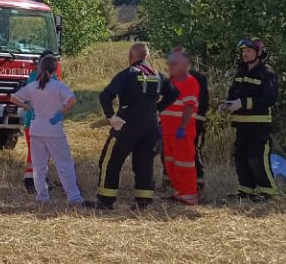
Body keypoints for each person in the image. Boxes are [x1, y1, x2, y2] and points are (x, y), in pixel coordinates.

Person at [90, 43, 178, 209]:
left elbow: (105, 95)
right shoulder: (158, 75)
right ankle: (143, 202)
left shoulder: (127, 74)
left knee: (111, 160)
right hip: (151, 126)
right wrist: (157, 109)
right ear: (147, 57)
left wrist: (111, 117)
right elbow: (174, 93)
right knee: (144, 164)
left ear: (131, 56)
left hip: (127, 124)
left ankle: (105, 201)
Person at [10, 54, 83, 205]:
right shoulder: (57, 86)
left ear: (40, 68)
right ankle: (74, 197)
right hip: (54, 129)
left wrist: (28, 107)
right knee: (64, 164)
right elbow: (73, 100)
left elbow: (13, 98)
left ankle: (42, 197)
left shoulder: (32, 86)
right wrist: (60, 113)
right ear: (54, 70)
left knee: (39, 166)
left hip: (36, 129)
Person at [223, 38, 280, 200]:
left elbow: (270, 99)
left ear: (259, 52)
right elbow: (233, 93)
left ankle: (268, 192)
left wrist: (243, 103)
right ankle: (245, 190)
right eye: (243, 51)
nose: (245, 54)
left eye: (248, 51)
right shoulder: (240, 73)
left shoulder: (267, 73)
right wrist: (227, 104)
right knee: (241, 158)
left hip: (259, 124)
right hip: (241, 124)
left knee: (257, 158)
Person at [160, 47, 200, 205]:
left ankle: (189, 193)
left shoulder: (190, 82)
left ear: (184, 65)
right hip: (168, 131)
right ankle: (179, 191)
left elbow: (189, 107)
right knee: (170, 163)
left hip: (181, 132)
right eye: (169, 63)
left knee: (184, 163)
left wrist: (182, 127)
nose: (170, 67)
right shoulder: (171, 82)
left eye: (174, 64)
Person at [21, 49, 55, 192]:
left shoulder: (32, 77)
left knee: (33, 152)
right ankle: (37, 181)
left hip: (30, 122)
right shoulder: (52, 80)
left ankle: (32, 180)